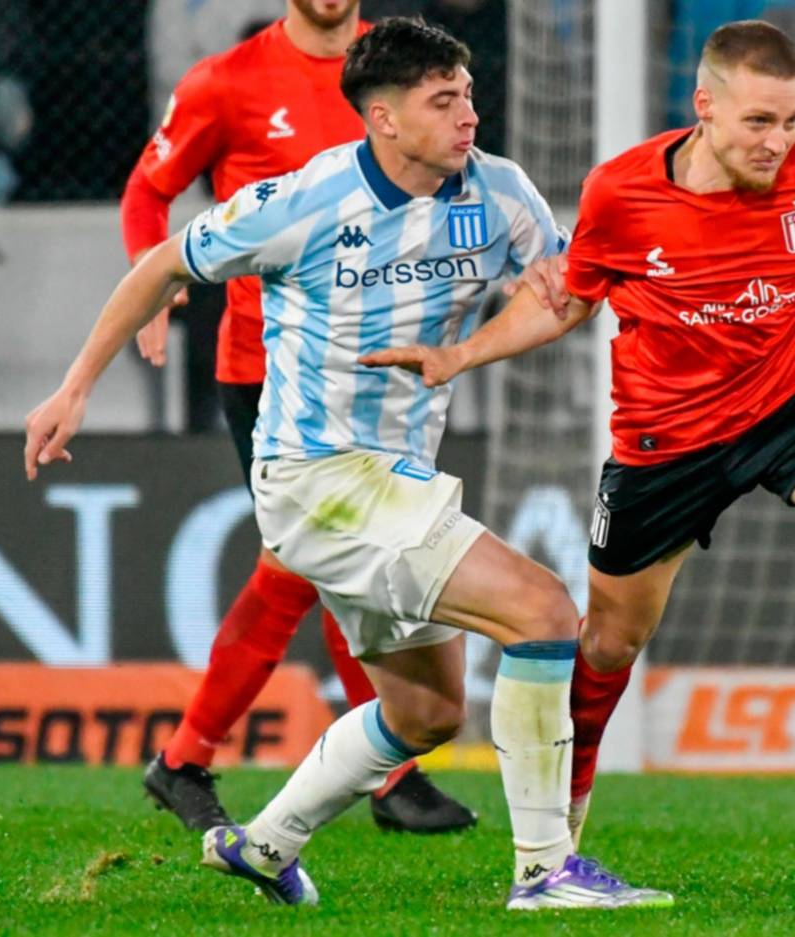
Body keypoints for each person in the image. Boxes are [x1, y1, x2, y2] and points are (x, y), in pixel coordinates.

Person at [25, 17, 669, 911]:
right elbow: (162, 267)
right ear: (383, 118)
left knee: (426, 714)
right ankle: (545, 870)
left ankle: (264, 844)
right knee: (544, 610)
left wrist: (467, 350)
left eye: (469, 95)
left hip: (390, 483)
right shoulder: (301, 203)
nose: (468, 116)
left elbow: (561, 296)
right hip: (318, 478)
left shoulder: (502, 191)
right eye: (443, 101)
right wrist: (73, 390)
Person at [361, 19, 795, 850]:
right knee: (608, 642)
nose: (779, 141)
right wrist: (460, 353)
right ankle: (559, 819)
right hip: (666, 440)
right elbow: (568, 297)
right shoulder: (625, 192)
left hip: (794, 398)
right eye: (758, 122)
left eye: (790, 118)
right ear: (704, 106)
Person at [120, 0, 476, 835]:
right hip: (271, 371)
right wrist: (153, 277)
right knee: (310, 563)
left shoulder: (403, 67)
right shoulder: (228, 83)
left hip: (386, 371)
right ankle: (199, 758)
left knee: (333, 564)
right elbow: (151, 188)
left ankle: (199, 760)